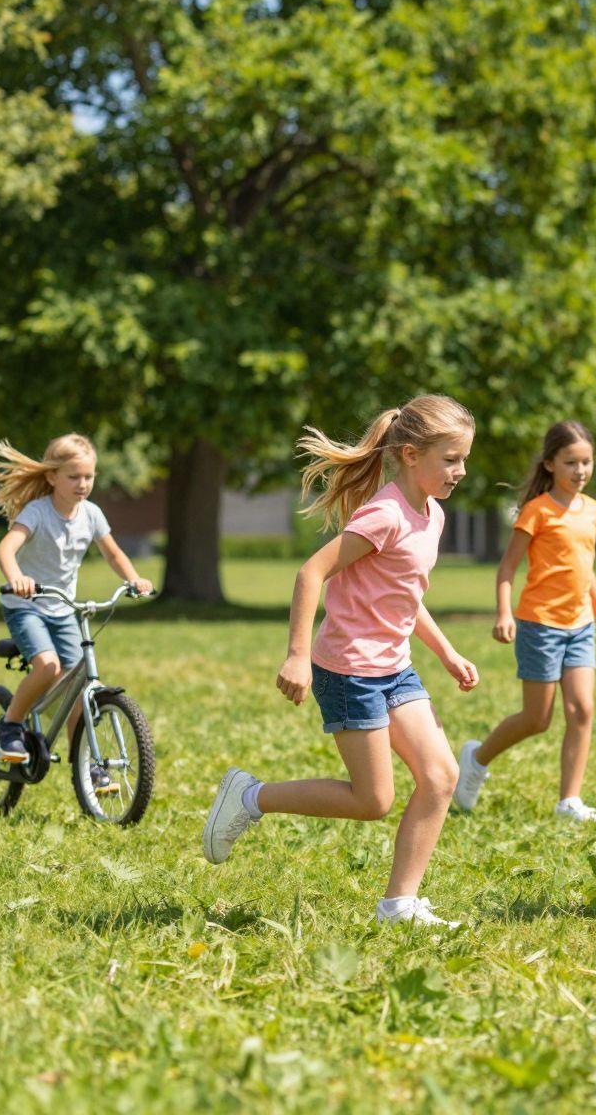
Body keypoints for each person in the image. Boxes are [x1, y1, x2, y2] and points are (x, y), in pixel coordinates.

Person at [201, 395, 482, 927]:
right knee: (373, 799)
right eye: (451, 459)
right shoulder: (384, 514)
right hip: (350, 670)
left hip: (393, 667)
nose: (460, 471)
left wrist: (446, 653)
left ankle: (398, 906)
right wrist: (297, 656)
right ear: (410, 454)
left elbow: (404, 593)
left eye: (463, 459)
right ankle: (250, 796)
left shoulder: (433, 515)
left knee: (441, 776)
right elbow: (311, 573)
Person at [455, 420, 596, 822]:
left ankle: (569, 801)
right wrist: (503, 612)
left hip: (580, 626)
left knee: (582, 709)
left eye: (586, 462)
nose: (580, 471)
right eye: (571, 462)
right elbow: (506, 568)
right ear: (550, 464)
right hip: (540, 625)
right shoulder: (537, 511)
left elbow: (587, 571)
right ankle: (477, 758)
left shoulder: (593, 511)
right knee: (537, 719)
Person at [0, 434, 154, 793]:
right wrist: (17, 578)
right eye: (74, 477)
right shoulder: (38, 512)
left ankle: (90, 765)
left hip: (64, 608)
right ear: (52, 477)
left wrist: (134, 578)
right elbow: (6, 549)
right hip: (26, 606)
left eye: (89, 477)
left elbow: (112, 554)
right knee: (48, 666)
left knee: (81, 686)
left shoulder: (91, 514)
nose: (83, 484)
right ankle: (10, 725)